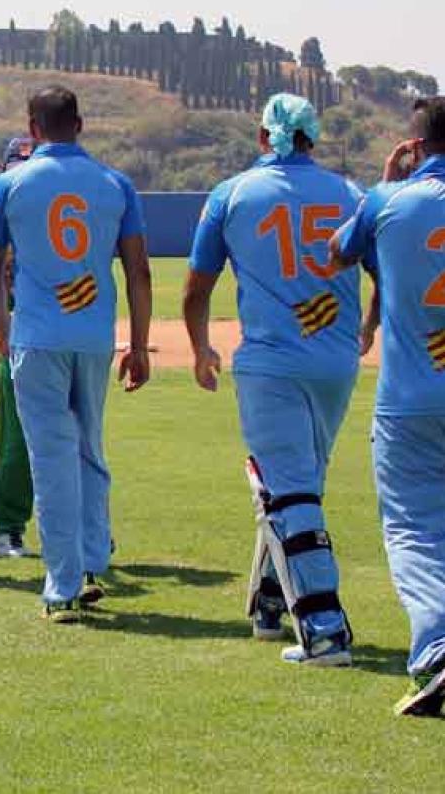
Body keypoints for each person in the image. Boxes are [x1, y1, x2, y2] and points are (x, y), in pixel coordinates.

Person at [183, 94, 361, 666]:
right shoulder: (350, 194)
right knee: (297, 485)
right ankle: (268, 602)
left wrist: (200, 347)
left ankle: (324, 627)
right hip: (335, 362)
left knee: (286, 490)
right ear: (313, 137)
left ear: (264, 136)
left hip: (271, 362)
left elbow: (196, 290)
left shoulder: (232, 193)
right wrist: (374, 322)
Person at [0, 86, 152, 623]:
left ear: (32, 129)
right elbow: (139, 272)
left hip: (37, 336)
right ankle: (94, 561)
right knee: (90, 451)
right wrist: (140, 344)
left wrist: (2, 327)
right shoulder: (115, 183)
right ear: (80, 123)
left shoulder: (9, 184)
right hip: (94, 337)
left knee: (50, 457)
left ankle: (63, 584)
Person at [329, 96, 445, 716]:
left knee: (412, 527)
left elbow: (337, 252)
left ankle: (436, 648)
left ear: (417, 145)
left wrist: (384, 183)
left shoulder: (385, 201)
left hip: (411, 397)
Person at [0, 136, 37, 558]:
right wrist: (1, 325)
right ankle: (8, 526)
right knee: (16, 439)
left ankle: (85, 524)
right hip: (19, 337)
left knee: (80, 438)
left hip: (59, 336)